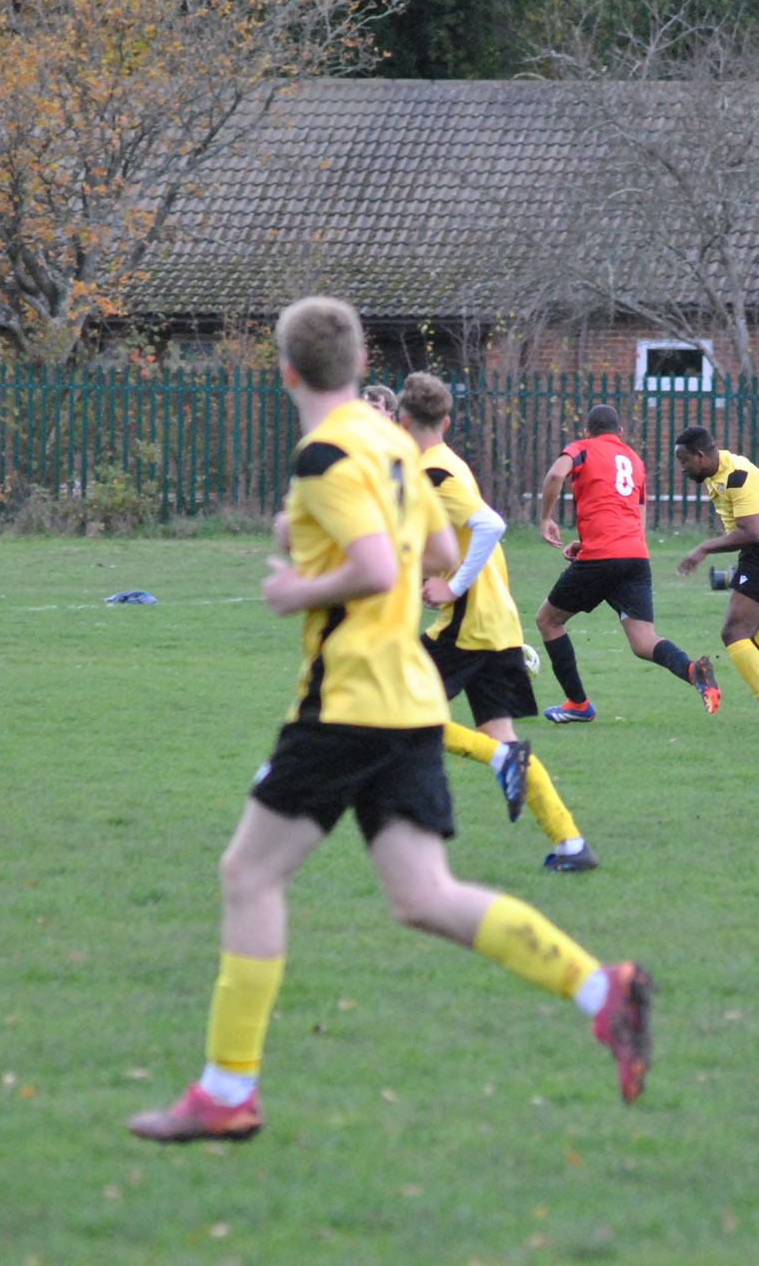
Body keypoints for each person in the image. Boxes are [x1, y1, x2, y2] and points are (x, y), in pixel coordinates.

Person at [127, 298, 651, 1145]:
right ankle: (604, 990)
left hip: (350, 699)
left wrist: (296, 587)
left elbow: (376, 566)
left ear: (286, 371)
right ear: (361, 363)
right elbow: (438, 552)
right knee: (422, 896)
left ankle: (227, 1089)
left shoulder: (326, 451)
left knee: (248, 876)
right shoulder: (395, 447)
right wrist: (309, 530)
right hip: (406, 698)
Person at [394, 371, 602, 873]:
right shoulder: (449, 463)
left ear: (401, 420)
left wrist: (453, 588)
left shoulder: (434, 472)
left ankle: (495, 766)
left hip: (470, 623)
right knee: (500, 735)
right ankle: (571, 845)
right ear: (446, 421)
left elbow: (491, 525)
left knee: (390, 709)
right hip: (495, 620)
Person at [534, 403, 719, 723]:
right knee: (644, 641)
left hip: (602, 557)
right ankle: (693, 671)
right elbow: (637, 514)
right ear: (620, 433)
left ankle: (578, 704)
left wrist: (546, 518)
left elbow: (555, 474)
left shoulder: (582, 448)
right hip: (635, 556)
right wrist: (591, 541)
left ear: (587, 432)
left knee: (548, 621)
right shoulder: (634, 460)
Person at [671, 425, 759, 724]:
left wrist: (703, 548)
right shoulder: (715, 472)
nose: (682, 468)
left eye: (684, 460)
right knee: (744, 639)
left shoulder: (737, 476)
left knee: (735, 634)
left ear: (701, 456)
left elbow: (750, 532)